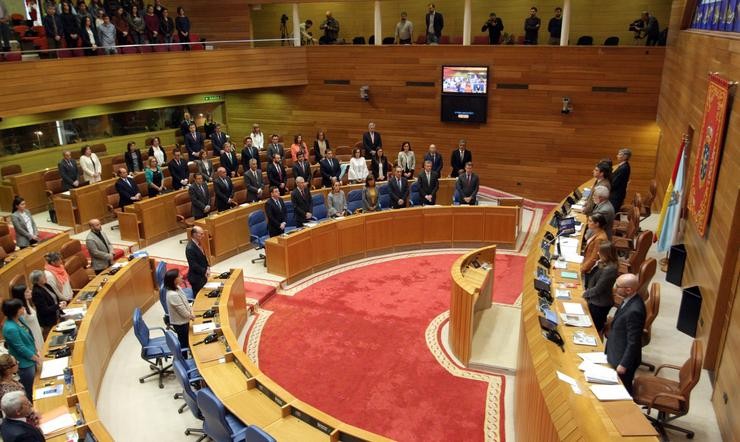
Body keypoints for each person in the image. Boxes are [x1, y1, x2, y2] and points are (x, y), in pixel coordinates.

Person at [605, 273, 646, 395]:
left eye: (617, 286)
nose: (614, 288)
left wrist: (623, 364)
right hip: (616, 349)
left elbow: (634, 341)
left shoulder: (635, 311)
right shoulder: (628, 300)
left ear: (628, 290)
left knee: (622, 392)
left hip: (622, 360)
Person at [1, 299, 41, 400]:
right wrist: (35, 358)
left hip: (31, 356)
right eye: (21, 307)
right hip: (24, 363)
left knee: (37, 382)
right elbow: (20, 347)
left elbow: (28, 336)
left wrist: (35, 350)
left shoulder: (20, 320)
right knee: (30, 388)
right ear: (16, 311)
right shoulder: (10, 328)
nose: (23, 308)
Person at [582, 242, 618, 335]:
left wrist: (584, 294)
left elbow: (598, 289)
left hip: (600, 304)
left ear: (606, 254)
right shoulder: (603, 263)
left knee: (596, 330)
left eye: (600, 252)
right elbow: (592, 278)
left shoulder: (610, 270)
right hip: (594, 300)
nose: (598, 253)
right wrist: (593, 266)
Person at [164, 269, 194, 349]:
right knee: (185, 344)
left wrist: (191, 310)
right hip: (181, 324)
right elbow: (183, 312)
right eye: (179, 276)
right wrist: (191, 316)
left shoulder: (177, 287)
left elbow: (185, 302)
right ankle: (184, 359)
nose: (181, 276)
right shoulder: (172, 295)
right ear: (174, 280)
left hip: (185, 320)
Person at [30, 270, 65, 338]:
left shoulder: (47, 285)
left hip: (57, 316)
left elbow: (54, 298)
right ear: (37, 280)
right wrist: (58, 306)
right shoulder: (36, 292)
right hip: (49, 322)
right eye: (43, 277)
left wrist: (60, 304)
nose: (45, 277)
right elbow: (44, 310)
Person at [10, 285, 43, 353]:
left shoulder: (28, 303)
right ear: (21, 295)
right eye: (27, 291)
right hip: (32, 336)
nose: (31, 292)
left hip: (37, 332)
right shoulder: (21, 310)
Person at [185, 226, 209, 295]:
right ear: (194, 234)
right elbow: (193, 265)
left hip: (202, 275)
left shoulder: (199, 243)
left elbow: (203, 257)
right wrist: (205, 271)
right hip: (196, 278)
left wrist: (207, 266)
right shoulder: (190, 248)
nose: (203, 236)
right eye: (201, 234)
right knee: (199, 297)